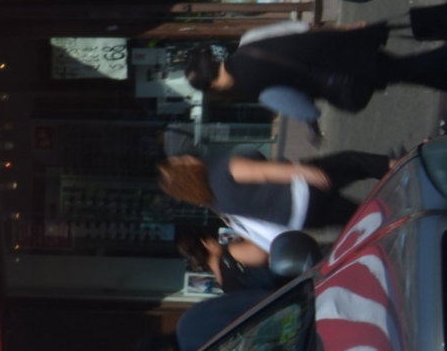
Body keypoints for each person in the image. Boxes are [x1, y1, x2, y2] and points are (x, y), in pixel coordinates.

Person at [186, 23, 447, 128]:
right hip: (342, 47)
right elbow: (301, 28)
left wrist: (312, 127)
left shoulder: (257, 91)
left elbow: (305, 110)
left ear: (211, 87)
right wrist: (346, 30)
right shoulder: (249, 41)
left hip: (345, 78)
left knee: (411, 68)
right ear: (214, 58)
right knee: (410, 71)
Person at [157, 151, 393, 239]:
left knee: (357, 217)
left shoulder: (215, 205)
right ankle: (400, 164)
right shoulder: (222, 170)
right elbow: (264, 173)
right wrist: (305, 171)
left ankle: (393, 225)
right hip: (302, 191)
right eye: (181, 161)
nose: (185, 157)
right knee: (353, 162)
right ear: (186, 171)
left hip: (300, 219)